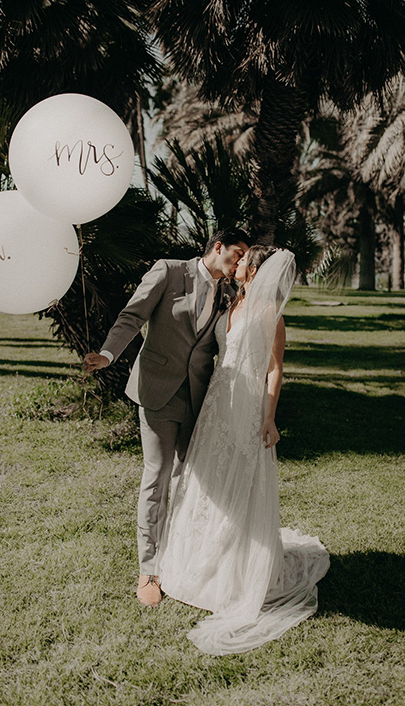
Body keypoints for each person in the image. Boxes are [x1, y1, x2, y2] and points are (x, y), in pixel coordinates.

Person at [156, 246, 330, 655]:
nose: (235, 265)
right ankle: (195, 559)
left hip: (247, 406)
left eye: (242, 260)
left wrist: (269, 419)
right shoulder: (231, 302)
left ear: (254, 269)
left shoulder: (270, 313)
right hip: (218, 400)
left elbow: (274, 369)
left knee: (239, 479)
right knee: (210, 480)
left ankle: (233, 570)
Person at [83, 229, 251, 606]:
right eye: (236, 253)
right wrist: (108, 355)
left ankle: (192, 559)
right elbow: (132, 316)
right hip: (157, 392)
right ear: (218, 247)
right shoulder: (169, 271)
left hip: (201, 397)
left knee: (195, 479)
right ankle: (150, 570)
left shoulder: (229, 291)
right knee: (156, 478)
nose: (239, 262)